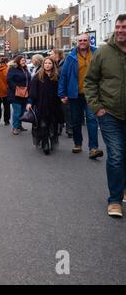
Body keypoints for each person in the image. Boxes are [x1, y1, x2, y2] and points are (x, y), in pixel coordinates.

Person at [85, 14, 126, 218]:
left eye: (124, 27)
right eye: (118, 26)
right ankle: (115, 200)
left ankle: (123, 188)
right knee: (117, 155)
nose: (120, 30)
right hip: (109, 113)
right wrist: (97, 107)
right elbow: (90, 81)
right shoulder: (103, 53)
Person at [58, 33, 104, 159]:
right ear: (77, 42)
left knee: (91, 119)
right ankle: (78, 144)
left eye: (85, 40)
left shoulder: (97, 53)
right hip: (75, 94)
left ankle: (93, 148)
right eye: (80, 40)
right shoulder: (71, 56)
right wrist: (62, 94)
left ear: (89, 41)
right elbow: (64, 76)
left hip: (92, 94)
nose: (82, 42)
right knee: (76, 121)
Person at [26, 57, 64, 155]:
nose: (47, 65)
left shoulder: (57, 76)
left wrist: (63, 97)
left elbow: (61, 90)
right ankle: (45, 144)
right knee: (43, 125)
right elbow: (32, 91)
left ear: (53, 65)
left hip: (54, 106)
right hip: (41, 105)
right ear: (43, 65)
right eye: (45, 63)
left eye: (49, 63)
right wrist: (30, 102)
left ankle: (51, 140)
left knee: (52, 125)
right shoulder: (38, 76)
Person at [50, 49, 72, 138]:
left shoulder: (65, 64)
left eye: (51, 54)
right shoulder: (53, 64)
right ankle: (59, 127)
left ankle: (69, 129)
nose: (50, 55)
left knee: (67, 111)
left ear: (57, 55)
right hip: (55, 91)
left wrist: (65, 93)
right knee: (57, 111)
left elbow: (67, 79)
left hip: (63, 92)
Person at [7, 55, 31, 135]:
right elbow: (9, 80)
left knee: (22, 111)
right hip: (15, 95)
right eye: (22, 60)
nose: (24, 62)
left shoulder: (25, 69)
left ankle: (19, 125)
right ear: (17, 61)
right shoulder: (13, 69)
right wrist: (17, 89)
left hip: (25, 94)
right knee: (17, 112)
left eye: (24, 60)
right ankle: (15, 127)